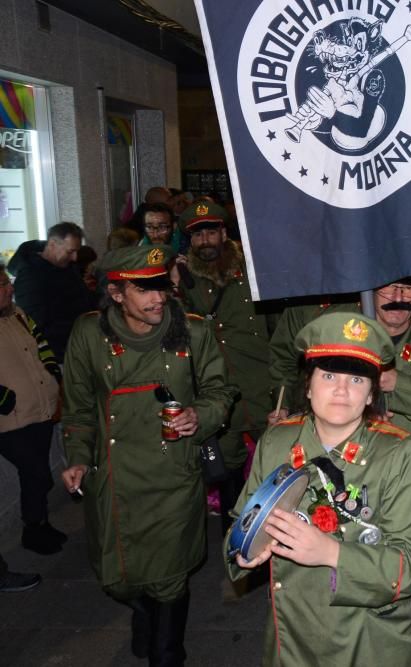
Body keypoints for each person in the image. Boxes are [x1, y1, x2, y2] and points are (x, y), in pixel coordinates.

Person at [268, 277, 411, 665]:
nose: (399, 298)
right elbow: (315, 396)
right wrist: (289, 419)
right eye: (387, 289)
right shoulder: (341, 332)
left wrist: (400, 383)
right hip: (347, 498)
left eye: (410, 290)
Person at [60, 245, 236, 664]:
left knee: (171, 577)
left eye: (161, 287)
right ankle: (144, 614)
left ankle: (168, 650)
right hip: (115, 477)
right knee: (119, 579)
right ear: (117, 294)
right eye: (145, 291)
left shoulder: (192, 330)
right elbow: (80, 407)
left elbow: (220, 391)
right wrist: (78, 457)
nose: (159, 298)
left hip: (173, 474)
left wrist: (201, 415)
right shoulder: (89, 333)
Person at [227, 312, 411, 665]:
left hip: (369, 639)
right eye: (328, 376)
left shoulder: (399, 453)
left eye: (356, 379)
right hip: (292, 642)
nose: (341, 390)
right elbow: (240, 522)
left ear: (371, 394)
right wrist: (244, 552)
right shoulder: (278, 442)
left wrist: (332, 554)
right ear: (307, 386)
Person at [176, 201, 271, 533]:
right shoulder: (182, 278)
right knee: (226, 466)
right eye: (197, 234)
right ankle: (233, 532)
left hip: (263, 382)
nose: (205, 241)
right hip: (217, 390)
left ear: (224, 233)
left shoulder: (254, 268)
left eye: (211, 231)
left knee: (278, 456)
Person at [0, 262, 66, 555]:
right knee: (37, 472)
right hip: (9, 420)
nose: (10, 288)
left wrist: (51, 368)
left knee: (35, 474)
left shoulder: (18, 314)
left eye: (8, 283)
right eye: (3, 285)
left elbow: (42, 344)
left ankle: (40, 525)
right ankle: (32, 528)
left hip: (39, 408)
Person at [8, 222, 96, 361]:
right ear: (52, 244)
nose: (75, 257)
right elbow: (35, 324)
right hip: (59, 355)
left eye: (77, 251)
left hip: (79, 348)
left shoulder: (67, 266)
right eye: (70, 251)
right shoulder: (31, 276)